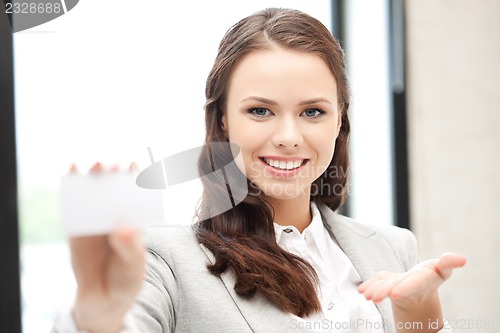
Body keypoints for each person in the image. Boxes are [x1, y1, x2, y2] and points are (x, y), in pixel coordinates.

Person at [53, 8, 466, 333]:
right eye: (260, 110)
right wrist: (97, 316)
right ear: (224, 119)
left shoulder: (394, 248)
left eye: (312, 111)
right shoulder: (164, 261)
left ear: (339, 120)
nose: (288, 136)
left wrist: (420, 319)